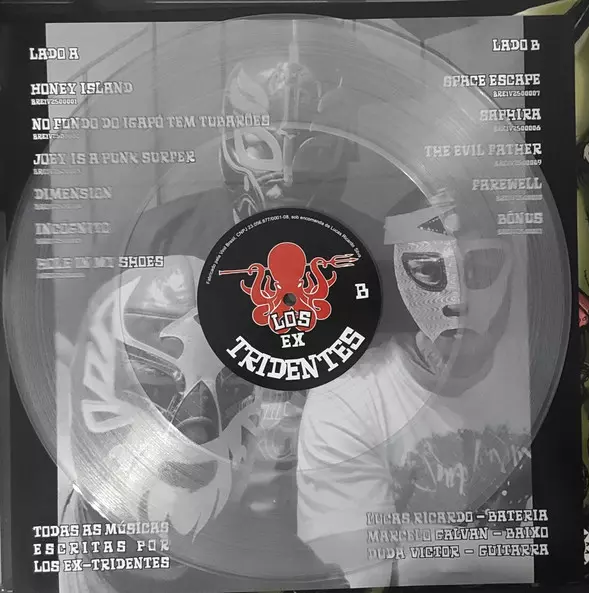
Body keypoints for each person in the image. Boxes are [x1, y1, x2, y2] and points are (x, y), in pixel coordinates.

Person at [58, 34, 386, 593]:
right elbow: (91, 371)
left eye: (311, 152)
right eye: (262, 146)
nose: (286, 178)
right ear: (231, 139)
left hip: (314, 494)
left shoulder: (374, 247)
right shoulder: (159, 235)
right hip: (177, 486)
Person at [296, 189, 534, 587]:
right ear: (398, 280)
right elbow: (363, 574)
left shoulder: (539, 371)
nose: (457, 301)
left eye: (481, 268)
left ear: (511, 273)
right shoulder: (348, 399)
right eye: (427, 271)